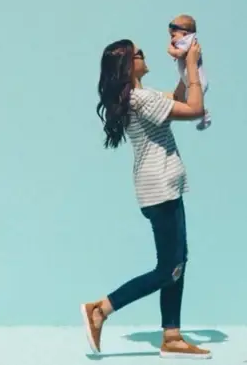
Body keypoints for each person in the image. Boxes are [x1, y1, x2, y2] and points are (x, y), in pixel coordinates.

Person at [81, 38, 211, 359]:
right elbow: (194, 109)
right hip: (161, 188)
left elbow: (179, 98)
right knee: (169, 268)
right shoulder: (140, 99)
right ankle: (101, 309)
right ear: (128, 66)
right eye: (138, 54)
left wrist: (184, 65)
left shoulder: (143, 96)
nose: (144, 55)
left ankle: (172, 336)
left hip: (161, 187)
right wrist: (193, 66)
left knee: (177, 262)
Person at [166, 14, 211, 130]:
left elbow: (180, 54)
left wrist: (170, 50)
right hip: (191, 81)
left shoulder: (188, 41)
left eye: (173, 36)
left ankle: (204, 115)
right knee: (188, 102)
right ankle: (203, 115)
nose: (171, 40)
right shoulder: (186, 40)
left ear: (184, 34)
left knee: (190, 104)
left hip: (198, 81)